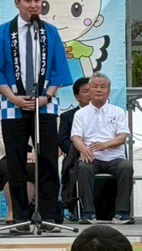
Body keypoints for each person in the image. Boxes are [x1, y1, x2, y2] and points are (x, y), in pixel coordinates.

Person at [0, 0, 72, 231]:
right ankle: (20, 217)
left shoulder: (49, 32)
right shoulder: (3, 33)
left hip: (45, 105)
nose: (34, 5)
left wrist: (46, 97)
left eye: (37, 1)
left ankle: (48, 216)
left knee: (48, 159)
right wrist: (13, 98)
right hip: (13, 105)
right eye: (28, 0)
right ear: (17, 3)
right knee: (16, 162)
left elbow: (59, 69)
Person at [72, 73, 133, 225]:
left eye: (103, 87)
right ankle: (88, 213)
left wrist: (105, 145)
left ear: (109, 91)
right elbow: (76, 138)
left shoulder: (118, 111)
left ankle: (122, 213)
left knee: (126, 167)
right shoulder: (80, 113)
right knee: (83, 167)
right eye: (95, 86)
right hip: (92, 157)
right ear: (89, 90)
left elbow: (122, 137)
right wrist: (84, 150)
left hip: (115, 158)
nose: (99, 90)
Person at [58, 76, 91, 219]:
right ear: (77, 97)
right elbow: (63, 140)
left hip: (102, 154)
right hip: (76, 156)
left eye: (91, 90)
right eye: (85, 91)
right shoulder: (68, 116)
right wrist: (79, 149)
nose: (90, 94)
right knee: (74, 167)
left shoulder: (109, 113)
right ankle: (75, 208)